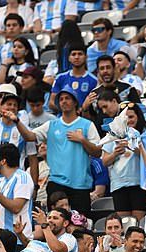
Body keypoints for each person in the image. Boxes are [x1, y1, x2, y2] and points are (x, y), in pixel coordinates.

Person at [32, 85, 101, 214]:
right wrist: (17, 121)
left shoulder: (87, 125)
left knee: (80, 224)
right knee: (55, 221)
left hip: (80, 185)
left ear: (75, 102)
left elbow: (98, 151)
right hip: (57, 183)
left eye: (67, 98)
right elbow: (30, 136)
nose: (64, 101)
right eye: (61, 99)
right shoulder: (51, 125)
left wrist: (82, 140)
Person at [49, 45, 97, 112]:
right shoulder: (60, 78)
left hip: (83, 119)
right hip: (62, 118)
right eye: (73, 54)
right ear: (69, 58)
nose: (77, 57)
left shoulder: (94, 80)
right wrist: (68, 110)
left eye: (80, 54)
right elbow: (51, 103)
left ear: (86, 57)